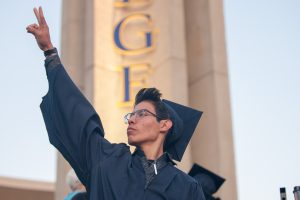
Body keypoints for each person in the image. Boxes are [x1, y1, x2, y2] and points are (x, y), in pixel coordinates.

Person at [27, 7, 206, 200]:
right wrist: (50, 52)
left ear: (164, 124)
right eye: (131, 115)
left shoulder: (187, 188)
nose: (131, 120)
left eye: (142, 114)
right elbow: (79, 123)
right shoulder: (108, 162)